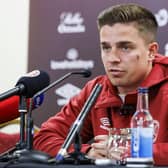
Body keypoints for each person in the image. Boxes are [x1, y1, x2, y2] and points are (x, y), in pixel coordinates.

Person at [33, 3, 168, 166]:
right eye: (106, 48)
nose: (112, 58)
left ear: (151, 52)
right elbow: (43, 137)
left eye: (125, 48)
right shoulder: (96, 90)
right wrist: (87, 152)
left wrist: (126, 150)